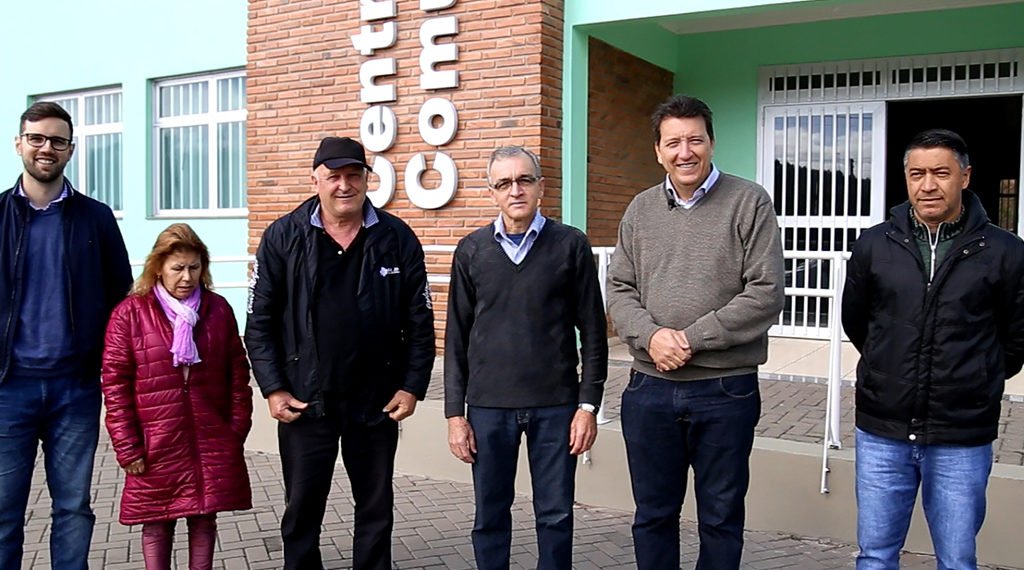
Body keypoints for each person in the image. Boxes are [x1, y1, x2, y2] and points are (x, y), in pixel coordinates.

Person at [606, 94, 785, 570]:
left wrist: (689, 339)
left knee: (722, 518)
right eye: (673, 142)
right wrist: (651, 337)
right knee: (653, 516)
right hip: (649, 389)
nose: (685, 152)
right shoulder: (640, 210)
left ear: (711, 143)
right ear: (657, 151)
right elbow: (619, 288)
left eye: (695, 140)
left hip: (724, 390)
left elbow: (765, 292)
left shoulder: (749, 201)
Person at [245, 136, 435, 570]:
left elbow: (420, 322)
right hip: (305, 401)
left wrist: (411, 387)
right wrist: (273, 388)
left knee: (374, 509)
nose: (344, 185)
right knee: (302, 509)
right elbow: (259, 324)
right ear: (316, 180)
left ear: (368, 180)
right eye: (334, 176)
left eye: (353, 175)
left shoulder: (397, 238)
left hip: (376, 402)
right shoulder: (282, 237)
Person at [842, 129, 1024, 569]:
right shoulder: (873, 244)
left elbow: (1016, 337)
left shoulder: (1005, 251)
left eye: (941, 173)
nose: (928, 185)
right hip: (883, 428)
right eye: (917, 174)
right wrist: (889, 369)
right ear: (905, 179)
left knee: (958, 559)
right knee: (875, 556)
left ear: (965, 176)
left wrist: (976, 377)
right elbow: (858, 321)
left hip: (961, 432)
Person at [444, 146, 608, 569]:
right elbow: (456, 338)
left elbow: (593, 331)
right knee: (490, 517)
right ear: (492, 192)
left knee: (555, 516)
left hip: (555, 406)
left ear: (540, 186)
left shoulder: (570, 245)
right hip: (487, 408)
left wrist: (588, 406)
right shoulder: (472, 251)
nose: (515, 190)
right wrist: (454, 415)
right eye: (504, 183)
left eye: (524, 180)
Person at [0, 101, 133, 569]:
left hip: (74, 387)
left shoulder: (95, 218)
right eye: (36, 138)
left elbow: (122, 297)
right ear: (19, 144)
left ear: (71, 150)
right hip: (8, 388)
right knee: (2, 514)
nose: (46, 148)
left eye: (57, 140)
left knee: (74, 508)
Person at [101, 223, 253, 570]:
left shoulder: (218, 310)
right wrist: (128, 447)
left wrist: (235, 432)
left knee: (203, 518)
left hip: (209, 438)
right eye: (178, 268)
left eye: (194, 267)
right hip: (155, 442)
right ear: (158, 268)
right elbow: (115, 386)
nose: (187, 277)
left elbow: (238, 376)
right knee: (157, 522)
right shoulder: (129, 314)